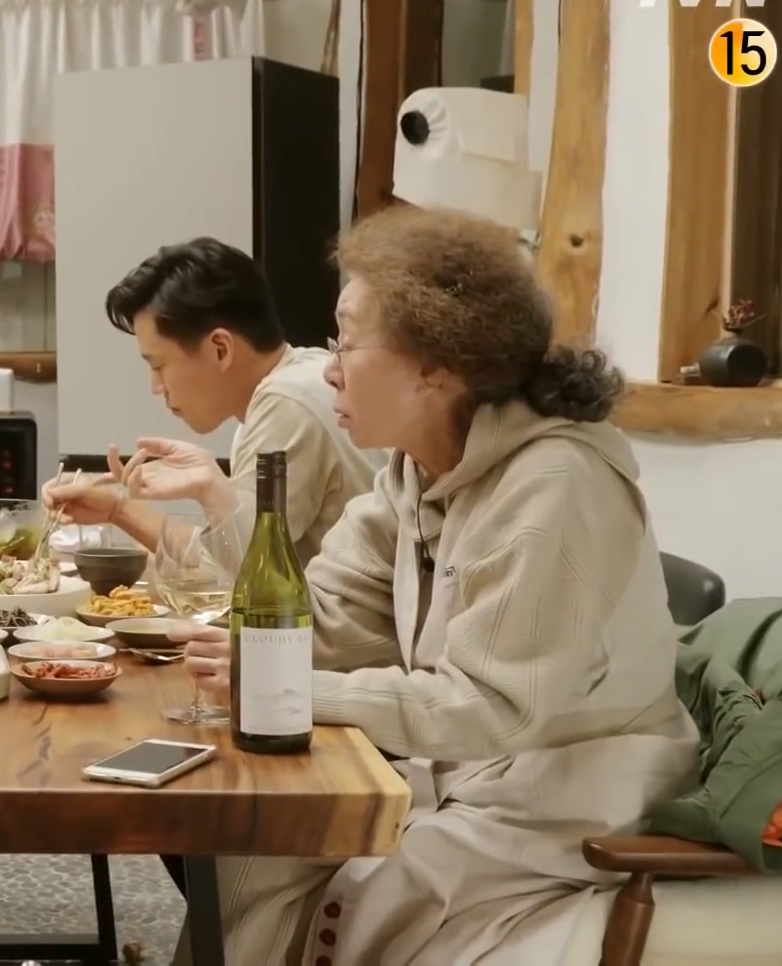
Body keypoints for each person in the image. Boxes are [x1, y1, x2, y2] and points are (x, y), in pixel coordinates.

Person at [171, 206, 700, 966]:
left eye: (348, 342)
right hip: (462, 773)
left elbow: (490, 706)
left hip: (561, 797)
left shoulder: (555, 484)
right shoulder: (417, 470)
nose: (330, 368)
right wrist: (233, 650)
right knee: (249, 853)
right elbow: (329, 616)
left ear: (437, 366)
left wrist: (285, 686)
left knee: (354, 900)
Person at [44, 236, 377, 566]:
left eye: (158, 366)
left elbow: (236, 573)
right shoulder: (298, 377)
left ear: (220, 348)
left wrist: (134, 506)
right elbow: (224, 555)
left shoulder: (286, 403)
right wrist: (117, 509)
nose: (156, 387)